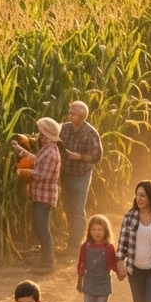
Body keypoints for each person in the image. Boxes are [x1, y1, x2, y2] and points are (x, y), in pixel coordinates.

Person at [12, 116, 62, 273]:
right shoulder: (47, 150)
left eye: (40, 132)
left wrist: (19, 172)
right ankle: (45, 261)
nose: (38, 135)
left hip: (44, 197)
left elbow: (41, 174)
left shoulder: (52, 153)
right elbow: (36, 160)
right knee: (40, 227)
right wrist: (19, 149)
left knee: (42, 229)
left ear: (46, 134)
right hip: (39, 195)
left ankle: (48, 263)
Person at [59, 101, 104, 251]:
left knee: (77, 208)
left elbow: (96, 156)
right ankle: (71, 240)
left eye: (73, 114)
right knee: (68, 207)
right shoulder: (64, 129)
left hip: (81, 175)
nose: (69, 115)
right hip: (65, 174)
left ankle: (75, 245)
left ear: (82, 117)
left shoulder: (90, 133)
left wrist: (80, 157)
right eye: (69, 112)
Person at [76, 214, 123, 302]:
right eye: (94, 229)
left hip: (104, 284)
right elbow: (81, 264)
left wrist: (120, 273)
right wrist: (79, 282)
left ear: (105, 231)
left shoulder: (108, 248)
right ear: (89, 231)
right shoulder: (85, 246)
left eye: (100, 230)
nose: (97, 233)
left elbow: (113, 264)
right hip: (89, 283)